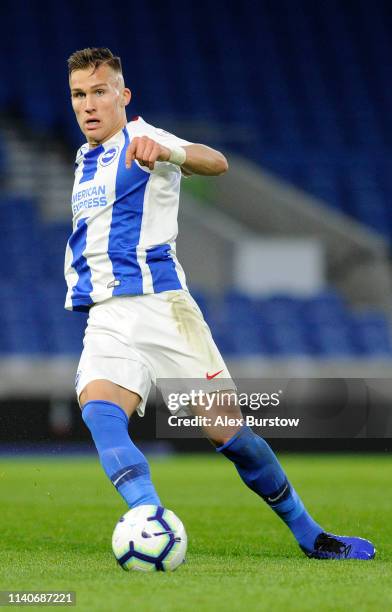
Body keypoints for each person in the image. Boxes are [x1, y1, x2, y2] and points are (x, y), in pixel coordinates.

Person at [65, 47, 375, 561]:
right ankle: (147, 515)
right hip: (108, 315)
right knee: (100, 411)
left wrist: (170, 155)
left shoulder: (145, 138)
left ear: (123, 95)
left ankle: (310, 533)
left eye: (100, 92)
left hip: (164, 310)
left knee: (230, 436)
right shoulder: (84, 159)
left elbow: (218, 161)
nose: (89, 104)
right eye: (79, 94)